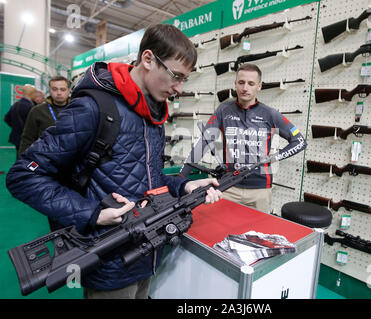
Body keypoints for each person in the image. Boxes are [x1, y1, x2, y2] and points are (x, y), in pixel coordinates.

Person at [6, 24, 222, 299]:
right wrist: (91, 213)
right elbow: (23, 176)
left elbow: (146, 178)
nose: (179, 88)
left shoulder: (153, 113)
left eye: (184, 79)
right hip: (109, 264)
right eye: (175, 76)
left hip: (147, 255)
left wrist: (183, 187)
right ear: (147, 59)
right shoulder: (93, 108)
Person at [180, 63, 306, 214]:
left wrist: (274, 157)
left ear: (259, 86)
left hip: (260, 191)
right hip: (228, 187)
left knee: (258, 234)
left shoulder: (270, 114)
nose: (245, 88)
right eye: (241, 82)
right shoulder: (223, 110)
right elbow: (204, 143)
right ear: (235, 84)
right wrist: (180, 177)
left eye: (251, 83)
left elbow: (299, 141)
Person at [19, 76, 71, 156]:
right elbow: (27, 139)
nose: (59, 93)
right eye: (54, 89)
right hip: (45, 158)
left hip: (71, 158)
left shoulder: (77, 109)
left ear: (68, 91)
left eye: (63, 89)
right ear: (50, 90)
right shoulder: (37, 111)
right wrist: (23, 160)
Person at [4, 84, 37, 158]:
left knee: (19, 156)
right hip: (27, 139)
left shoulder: (15, 104)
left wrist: (16, 127)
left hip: (16, 137)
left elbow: (6, 118)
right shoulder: (31, 107)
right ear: (31, 94)